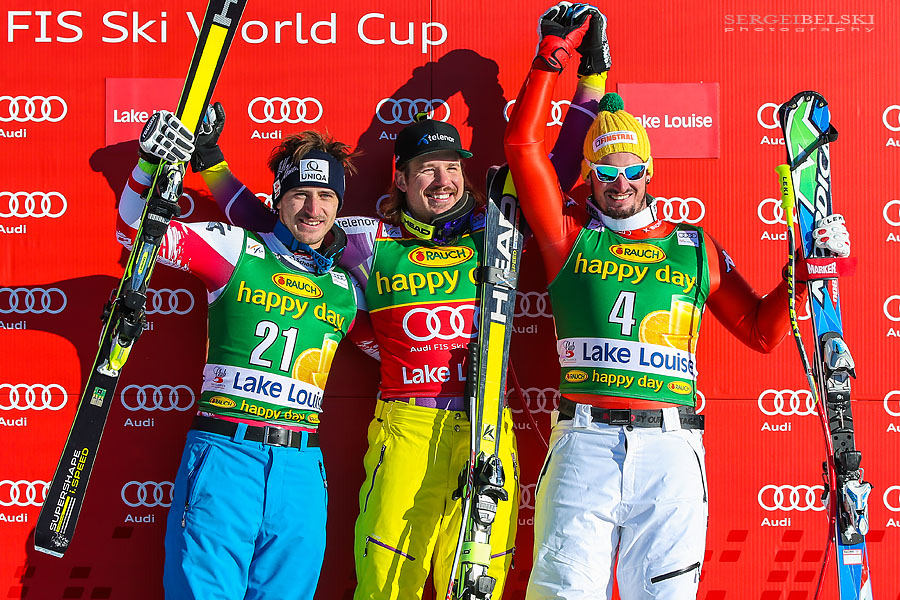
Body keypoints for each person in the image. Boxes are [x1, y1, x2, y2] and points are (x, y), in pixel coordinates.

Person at [189, 46, 608, 595]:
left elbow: (552, 172)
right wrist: (213, 166)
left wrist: (589, 77)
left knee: (476, 585)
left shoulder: (497, 228)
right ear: (403, 180)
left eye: (452, 167)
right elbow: (277, 227)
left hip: (485, 428)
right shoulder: (367, 239)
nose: (443, 180)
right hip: (407, 426)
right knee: (387, 585)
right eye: (427, 169)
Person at [503, 5, 852, 600]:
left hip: (670, 449)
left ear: (650, 171)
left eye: (632, 170)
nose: (620, 183)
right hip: (585, 444)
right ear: (589, 175)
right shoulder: (567, 235)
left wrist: (805, 270)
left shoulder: (692, 246)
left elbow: (762, 332)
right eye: (605, 172)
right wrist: (550, 55)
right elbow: (522, 143)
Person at [120, 114, 375, 600]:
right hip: (226, 455)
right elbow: (134, 233)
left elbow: (398, 355)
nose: (313, 208)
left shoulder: (346, 288)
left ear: (339, 206)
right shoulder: (234, 248)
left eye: (326, 196)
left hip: (301, 468)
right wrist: (148, 165)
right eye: (300, 194)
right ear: (278, 198)